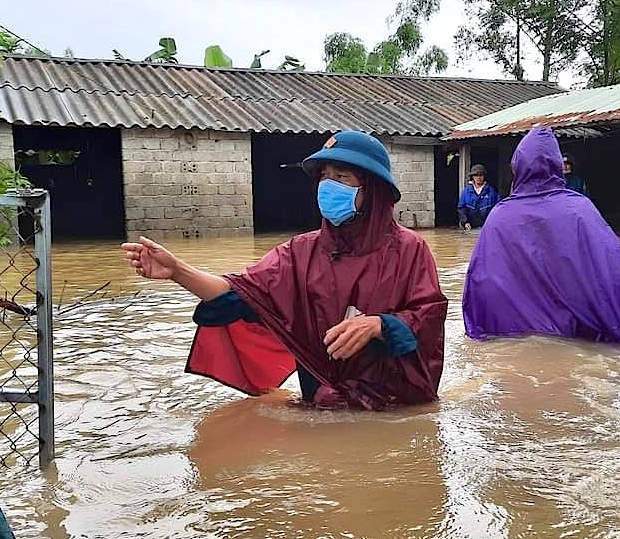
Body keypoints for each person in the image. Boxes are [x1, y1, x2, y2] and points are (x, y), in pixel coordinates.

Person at [121, 130, 447, 410]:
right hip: (318, 405)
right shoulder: (299, 252)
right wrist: (178, 271)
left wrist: (380, 325)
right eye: (323, 176)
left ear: (372, 189)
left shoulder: (409, 249)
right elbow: (240, 293)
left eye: (341, 177)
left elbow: (429, 318)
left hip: (389, 410)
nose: (327, 185)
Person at [463, 126, 620, 344]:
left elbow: (481, 287)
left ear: (517, 166)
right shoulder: (581, 211)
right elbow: (611, 278)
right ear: (557, 165)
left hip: (515, 345)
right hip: (576, 342)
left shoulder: (499, 217)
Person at [457, 164, 500, 230]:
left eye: (480, 175)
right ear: (472, 177)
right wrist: (465, 222)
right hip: (470, 227)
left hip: (487, 227)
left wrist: (492, 223)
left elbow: (498, 208)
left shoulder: (492, 191)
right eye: (476, 175)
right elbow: (461, 208)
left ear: (484, 176)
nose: (478, 177)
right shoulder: (466, 191)